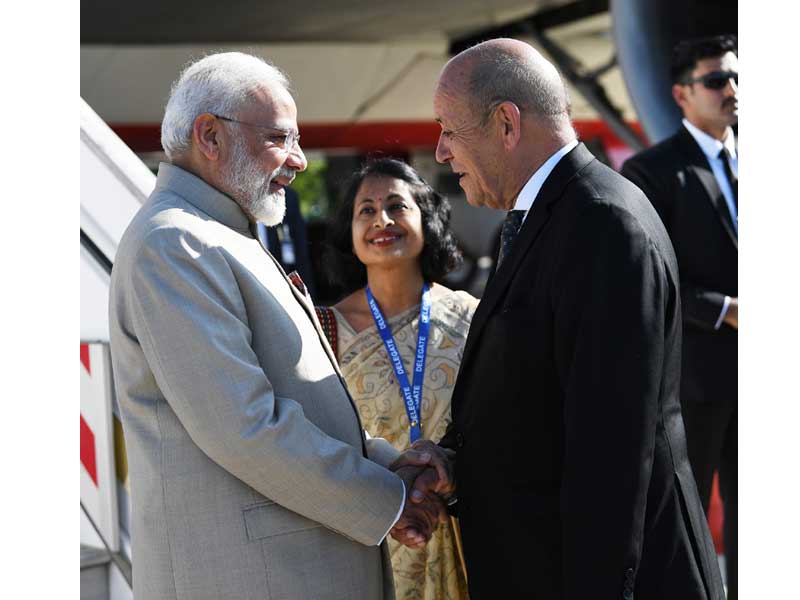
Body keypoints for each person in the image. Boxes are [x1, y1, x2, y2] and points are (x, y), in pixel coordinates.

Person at [393, 38, 726, 599]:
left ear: (505, 123)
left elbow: (612, 453)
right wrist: (457, 459)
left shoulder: (601, 223)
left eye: (449, 128)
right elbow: (541, 399)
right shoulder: (544, 216)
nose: (442, 151)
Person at [108, 52, 446, 600]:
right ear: (209, 136)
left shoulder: (218, 232)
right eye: (279, 139)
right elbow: (246, 428)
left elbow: (294, 411)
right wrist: (388, 496)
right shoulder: (175, 242)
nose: (299, 161)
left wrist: (389, 465)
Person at [317, 158, 476, 600]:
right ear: (349, 232)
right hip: (372, 545)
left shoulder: (471, 317)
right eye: (365, 210)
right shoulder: (321, 330)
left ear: (426, 219)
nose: (381, 220)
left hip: (470, 541)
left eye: (396, 206)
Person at [621, 34, 738, 598]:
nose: (732, 91)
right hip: (696, 379)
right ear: (681, 94)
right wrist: (723, 310)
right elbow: (649, 277)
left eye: (736, 78)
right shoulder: (653, 171)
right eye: (716, 81)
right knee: (686, 516)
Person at [260, 185, 318, 297]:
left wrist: (309, 302)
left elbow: (301, 254)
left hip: (283, 288)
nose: (300, 166)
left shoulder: (287, 196)